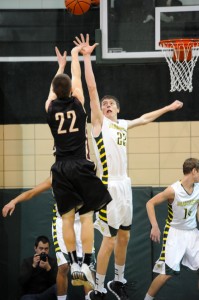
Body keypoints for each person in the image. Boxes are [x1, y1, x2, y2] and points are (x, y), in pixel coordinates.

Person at [73, 34, 184, 300]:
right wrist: (87, 58)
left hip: (125, 185)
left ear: (118, 110)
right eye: (104, 103)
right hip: (107, 187)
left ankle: (117, 280)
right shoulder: (99, 124)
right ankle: (98, 287)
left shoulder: (122, 125)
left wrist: (168, 107)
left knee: (124, 236)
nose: (106, 104)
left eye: (111, 103)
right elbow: (91, 90)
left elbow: (145, 118)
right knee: (109, 240)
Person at [45, 45, 112, 289]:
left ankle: (72, 262)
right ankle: (86, 262)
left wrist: (60, 66)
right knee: (86, 217)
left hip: (60, 166)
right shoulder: (79, 103)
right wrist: (75, 56)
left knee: (66, 218)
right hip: (81, 164)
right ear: (72, 91)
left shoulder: (50, 108)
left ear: (53, 92)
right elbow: (78, 80)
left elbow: (58, 89)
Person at [2, 177, 95, 300]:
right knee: (63, 266)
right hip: (62, 221)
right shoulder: (56, 175)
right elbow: (32, 192)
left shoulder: (84, 169)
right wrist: (14, 201)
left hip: (83, 221)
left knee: (88, 267)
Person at [144, 157, 199, 300]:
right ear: (194, 171)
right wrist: (155, 226)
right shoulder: (173, 190)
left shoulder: (198, 188)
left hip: (193, 233)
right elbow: (150, 203)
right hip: (175, 233)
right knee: (166, 274)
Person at [19, 235, 57, 300]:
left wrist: (48, 268)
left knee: (59, 287)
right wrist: (33, 266)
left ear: (49, 249)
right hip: (30, 295)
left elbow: (57, 283)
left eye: (46, 249)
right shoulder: (27, 261)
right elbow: (22, 281)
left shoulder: (53, 262)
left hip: (47, 294)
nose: (43, 251)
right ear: (35, 248)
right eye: (41, 248)